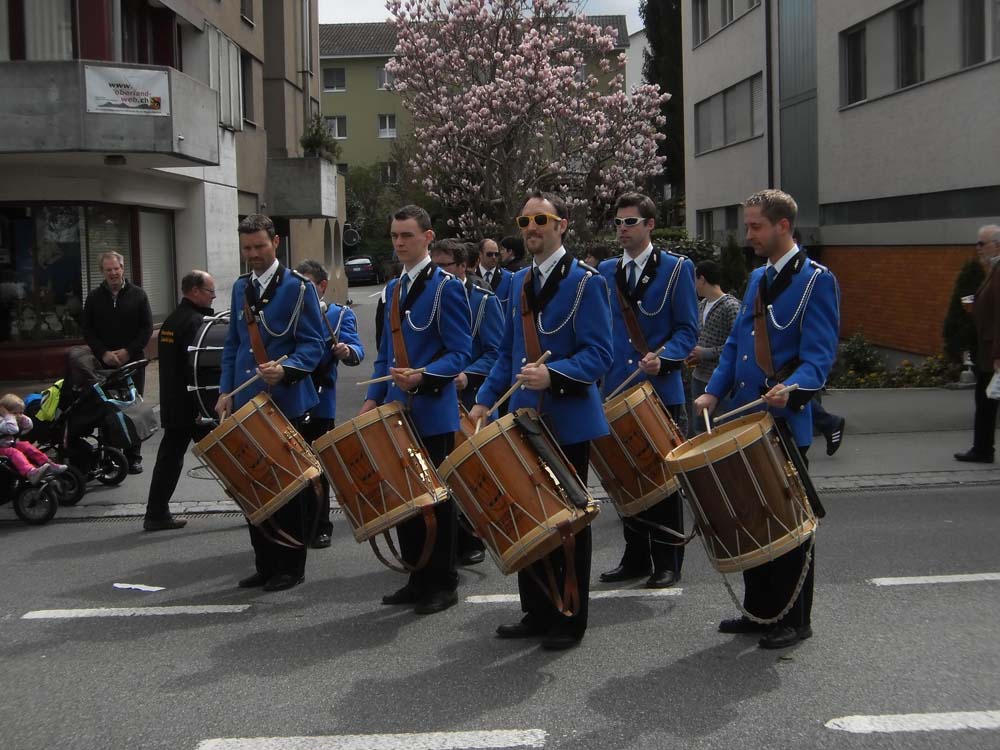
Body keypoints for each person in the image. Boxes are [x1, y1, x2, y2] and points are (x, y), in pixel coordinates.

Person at [693, 189, 840, 650]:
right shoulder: (757, 278)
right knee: (752, 516)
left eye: (755, 226)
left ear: (782, 226)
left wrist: (792, 388)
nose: (748, 234)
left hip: (783, 420)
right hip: (744, 416)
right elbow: (736, 345)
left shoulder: (817, 281)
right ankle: (760, 612)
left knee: (789, 523)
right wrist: (712, 392)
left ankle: (795, 618)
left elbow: (819, 356)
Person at [470, 189, 613, 651]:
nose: (531, 228)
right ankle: (535, 610)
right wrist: (484, 401)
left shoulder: (588, 282)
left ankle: (569, 617)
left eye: (541, 220)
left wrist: (554, 374)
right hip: (523, 419)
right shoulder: (516, 283)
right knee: (527, 516)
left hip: (567, 419)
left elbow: (599, 356)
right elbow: (508, 352)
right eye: (525, 220)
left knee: (568, 524)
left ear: (562, 224)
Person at [361, 205, 472, 615]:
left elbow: (461, 353)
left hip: (433, 411)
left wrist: (424, 376)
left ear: (428, 237)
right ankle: (416, 576)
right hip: (396, 409)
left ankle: (443, 581)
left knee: (437, 500)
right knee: (405, 498)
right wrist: (372, 398)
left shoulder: (447, 287)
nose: (399, 243)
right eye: (394, 236)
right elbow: (385, 352)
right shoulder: (392, 289)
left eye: (407, 235)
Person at [217, 214, 326, 592]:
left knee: (289, 486)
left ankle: (290, 565)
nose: (254, 254)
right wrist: (224, 392)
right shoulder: (239, 287)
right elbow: (233, 344)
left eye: (260, 246)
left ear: (275, 242)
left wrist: (289, 369)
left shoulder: (298, 288)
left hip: (285, 400)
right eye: (247, 248)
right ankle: (264, 562)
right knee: (253, 484)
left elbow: (315, 343)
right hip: (246, 401)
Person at [597, 193, 698, 589]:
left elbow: (688, 329)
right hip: (616, 391)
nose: (622, 229)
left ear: (650, 224)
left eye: (630, 222)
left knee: (663, 480)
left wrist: (666, 357)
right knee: (625, 477)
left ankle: (668, 558)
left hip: (660, 390)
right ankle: (635, 555)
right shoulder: (605, 271)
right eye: (618, 223)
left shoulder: (676, 269)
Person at [429, 239, 503, 566]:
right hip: (435, 397)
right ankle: (445, 543)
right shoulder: (426, 295)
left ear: (463, 267)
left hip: (473, 399)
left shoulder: (484, 301)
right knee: (438, 475)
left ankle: (474, 538)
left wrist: (468, 375)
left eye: (444, 266)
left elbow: (497, 353)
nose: (438, 272)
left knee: (471, 475)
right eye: (434, 265)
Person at [295, 259, 365, 548]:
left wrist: (346, 350)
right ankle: (296, 525)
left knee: (317, 468)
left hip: (320, 399)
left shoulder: (338, 315)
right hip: (289, 397)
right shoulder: (288, 315)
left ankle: (320, 525)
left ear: (322, 286)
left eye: (307, 286)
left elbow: (357, 351)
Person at [142, 271, 217, 532]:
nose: (213, 296)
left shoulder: (172, 321)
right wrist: (203, 407)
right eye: (210, 291)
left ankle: (156, 513)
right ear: (194, 291)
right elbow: (195, 369)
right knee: (225, 456)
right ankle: (254, 509)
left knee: (169, 459)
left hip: (174, 404)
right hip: (193, 407)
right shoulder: (195, 322)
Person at [82, 250, 153, 474]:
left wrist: (128, 351)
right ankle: (110, 457)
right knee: (107, 411)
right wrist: (103, 353)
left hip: (132, 362)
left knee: (133, 409)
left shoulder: (139, 295)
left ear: (123, 269)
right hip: (104, 365)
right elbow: (87, 330)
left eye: (116, 268)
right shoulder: (93, 298)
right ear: (102, 272)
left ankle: (134, 457)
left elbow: (147, 328)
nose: (113, 273)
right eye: (108, 269)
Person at [793, 230, 847, 456]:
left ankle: (829, 423)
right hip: (794, 357)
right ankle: (828, 423)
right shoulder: (764, 274)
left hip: (799, 355)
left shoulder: (813, 277)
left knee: (794, 397)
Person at [955, 224, 1000, 463]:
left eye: (982, 243)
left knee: (986, 401)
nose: (978, 248)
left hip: (993, 351)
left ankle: (983, 449)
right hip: (987, 349)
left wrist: (997, 353)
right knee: (986, 401)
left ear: (997, 245)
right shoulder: (992, 269)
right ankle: (982, 448)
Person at [689, 260, 741, 435]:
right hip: (698, 376)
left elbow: (738, 345)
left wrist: (705, 353)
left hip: (720, 378)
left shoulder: (731, 306)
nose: (694, 285)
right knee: (700, 429)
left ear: (702, 279)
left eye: (695, 280)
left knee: (722, 429)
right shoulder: (701, 306)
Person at [0, 394, 68, 483]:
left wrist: (22, 418)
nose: (18, 415)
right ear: (5, 412)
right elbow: (13, 429)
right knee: (14, 452)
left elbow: (29, 426)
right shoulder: (2, 421)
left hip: (8, 445)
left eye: (21, 413)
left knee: (25, 445)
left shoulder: (11, 421)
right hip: (2, 449)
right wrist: (9, 416)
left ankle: (48, 464)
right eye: (15, 413)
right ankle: (30, 472)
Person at [478, 238, 514, 306]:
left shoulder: (509, 278)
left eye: (496, 254)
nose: (494, 257)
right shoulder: (471, 276)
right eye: (489, 254)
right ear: (480, 254)